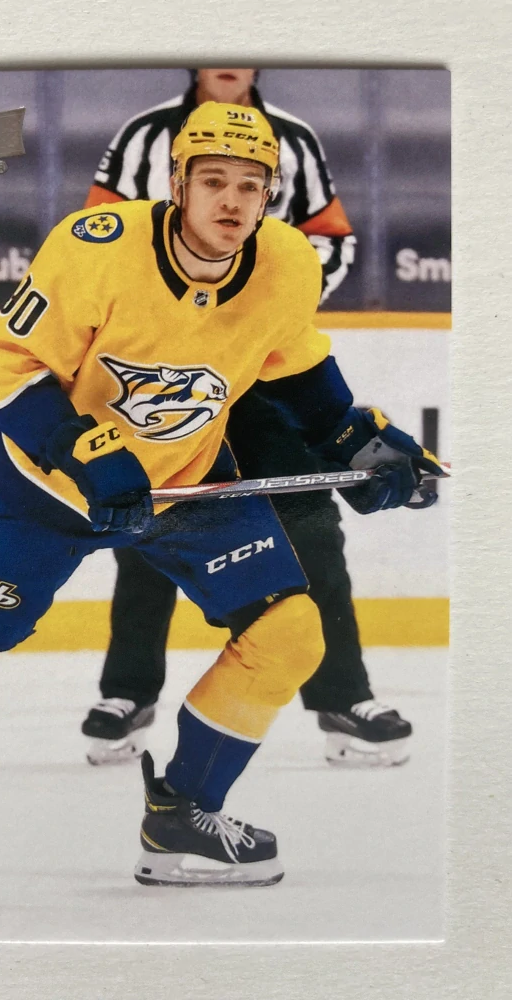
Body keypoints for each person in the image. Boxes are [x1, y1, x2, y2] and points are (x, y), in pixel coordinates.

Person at [0, 103, 443, 886]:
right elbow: (10, 369)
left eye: (250, 185)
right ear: (177, 184)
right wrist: (91, 454)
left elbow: (295, 367)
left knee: (291, 633)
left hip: (187, 488)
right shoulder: (96, 248)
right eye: (213, 181)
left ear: (269, 195)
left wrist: (358, 439)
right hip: (43, 493)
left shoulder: (286, 261)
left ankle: (182, 817)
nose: (231, 201)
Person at [80, 68, 410, 767]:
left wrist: (261, 310)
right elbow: (97, 246)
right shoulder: (143, 135)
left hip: (263, 368)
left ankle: (342, 698)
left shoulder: (294, 138)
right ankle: (128, 693)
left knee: (311, 525)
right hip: (161, 371)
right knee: (147, 519)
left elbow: (332, 238)